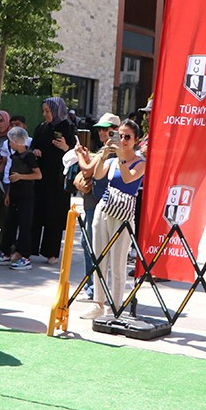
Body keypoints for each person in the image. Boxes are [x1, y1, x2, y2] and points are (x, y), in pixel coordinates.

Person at [82, 119, 145, 320]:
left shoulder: (140, 162)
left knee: (118, 263)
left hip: (124, 215)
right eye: (120, 135)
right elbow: (98, 175)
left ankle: (115, 306)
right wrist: (103, 155)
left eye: (128, 137)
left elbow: (128, 179)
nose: (123, 140)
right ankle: (98, 303)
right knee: (99, 258)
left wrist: (121, 157)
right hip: (104, 209)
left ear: (136, 140)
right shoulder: (111, 160)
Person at [72, 113, 120, 299]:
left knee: (93, 246)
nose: (102, 132)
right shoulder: (107, 149)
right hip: (96, 202)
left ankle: (94, 288)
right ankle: (94, 287)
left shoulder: (110, 149)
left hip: (100, 204)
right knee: (90, 245)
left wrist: (80, 156)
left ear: (115, 129)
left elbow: (87, 169)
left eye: (106, 129)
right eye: (100, 129)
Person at [29, 97, 77, 265]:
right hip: (41, 177)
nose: (45, 114)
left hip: (58, 178)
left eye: (48, 111)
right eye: (44, 111)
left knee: (54, 215)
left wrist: (65, 147)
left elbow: (75, 151)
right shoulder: (42, 127)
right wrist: (35, 150)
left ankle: (52, 253)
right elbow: (33, 144)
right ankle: (31, 248)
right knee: (37, 213)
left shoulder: (67, 126)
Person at [0, 126, 41, 270]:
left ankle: (25, 256)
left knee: (24, 226)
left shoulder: (28, 156)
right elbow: (12, 176)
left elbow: (38, 175)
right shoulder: (15, 156)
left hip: (26, 196)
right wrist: (9, 194)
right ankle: (6, 252)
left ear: (17, 141)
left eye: (11, 141)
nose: (9, 144)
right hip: (15, 195)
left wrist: (21, 177)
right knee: (10, 224)